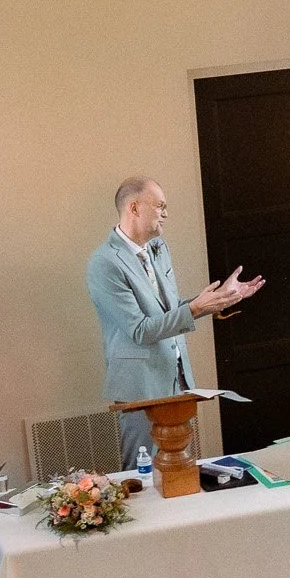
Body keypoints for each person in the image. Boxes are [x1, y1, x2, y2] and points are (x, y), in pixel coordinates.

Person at [87, 177, 265, 466]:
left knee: (179, 474)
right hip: (140, 388)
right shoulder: (105, 263)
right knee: (142, 474)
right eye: (160, 206)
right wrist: (195, 308)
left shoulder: (159, 248)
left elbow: (168, 312)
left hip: (177, 380)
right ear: (134, 208)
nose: (166, 214)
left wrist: (220, 299)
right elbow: (140, 329)